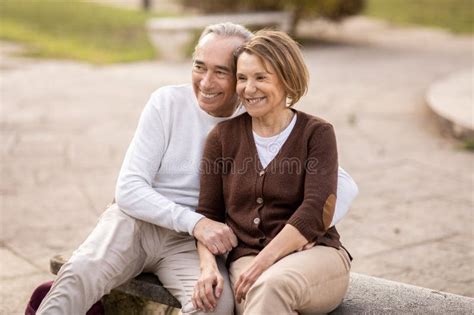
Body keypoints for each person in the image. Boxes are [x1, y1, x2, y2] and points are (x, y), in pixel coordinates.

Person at [37, 23, 357, 315]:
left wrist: (306, 232)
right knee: (81, 273)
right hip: (137, 224)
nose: (205, 82)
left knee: (214, 306)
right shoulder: (168, 103)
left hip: (192, 245)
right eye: (199, 66)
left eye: (221, 72)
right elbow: (129, 189)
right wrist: (198, 223)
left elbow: (341, 186)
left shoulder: (257, 120)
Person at [193, 30, 352, 315]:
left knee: (271, 286)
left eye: (261, 78)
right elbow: (208, 215)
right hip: (246, 261)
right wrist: (207, 268)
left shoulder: (316, 133)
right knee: (264, 290)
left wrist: (265, 261)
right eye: (242, 78)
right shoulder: (222, 138)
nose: (248, 89)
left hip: (315, 257)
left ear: (287, 79)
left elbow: (317, 208)